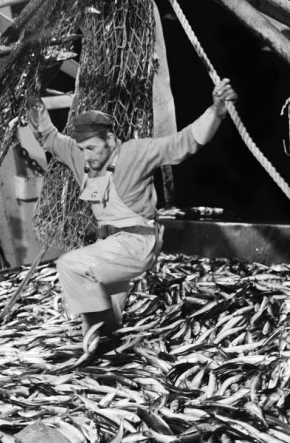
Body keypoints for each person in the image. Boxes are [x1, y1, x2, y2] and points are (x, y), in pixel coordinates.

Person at [27, 78, 237, 352]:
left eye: (92, 148)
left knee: (70, 266)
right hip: (111, 245)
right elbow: (49, 137)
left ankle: (100, 340)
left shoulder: (135, 153)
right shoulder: (79, 156)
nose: (86, 155)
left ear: (111, 140)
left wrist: (217, 111)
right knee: (102, 324)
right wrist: (32, 99)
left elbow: (185, 142)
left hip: (139, 243)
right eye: (81, 149)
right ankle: (106, 346)